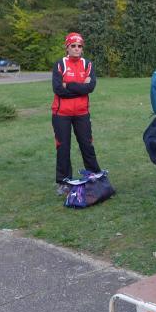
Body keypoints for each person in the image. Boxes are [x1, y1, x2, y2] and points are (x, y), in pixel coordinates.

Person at [51, 32, 103, 194]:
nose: (76, 49)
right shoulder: (60, 64)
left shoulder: (88, 64)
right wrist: (81, 88)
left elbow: (90, 87)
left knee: (87, 144)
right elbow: (58, 89)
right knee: (63, 147)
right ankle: (63, 181)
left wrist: (69, 85)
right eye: (73, 46)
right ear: (67, 47)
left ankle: (95, 176)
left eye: (79, 46)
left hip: (82, 112)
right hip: (61, 113)